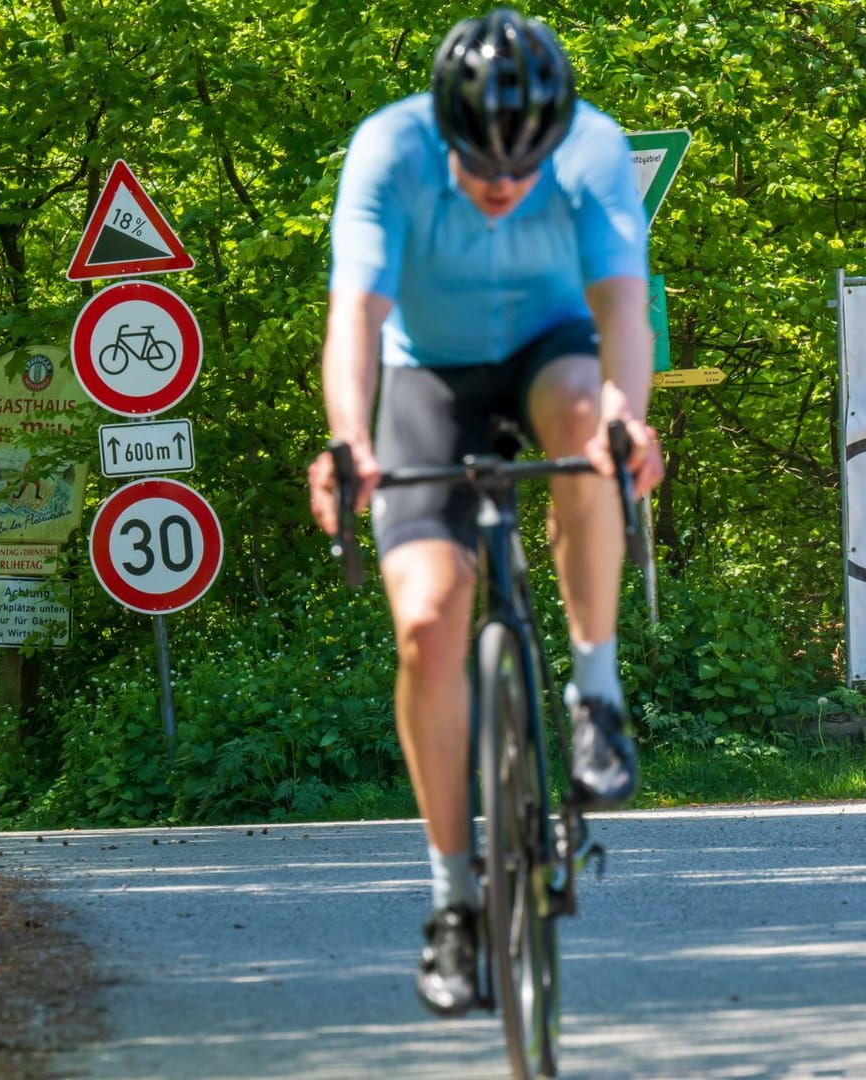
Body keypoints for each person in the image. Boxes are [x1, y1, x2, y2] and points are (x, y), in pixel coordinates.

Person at [306, 8, 664, 1017]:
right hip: (430, 376)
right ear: (442, 131)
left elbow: (623, 313)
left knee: (593, 429)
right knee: (427, 622)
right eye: (480, 167)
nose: (503, 187)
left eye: (523, 167)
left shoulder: (592, 153)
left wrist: (627, 423)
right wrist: (351, 442)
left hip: (551, 351)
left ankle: (596, 694)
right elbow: (357, 318)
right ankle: (454, 902)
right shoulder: (388, 153)